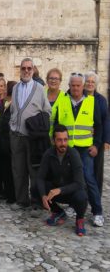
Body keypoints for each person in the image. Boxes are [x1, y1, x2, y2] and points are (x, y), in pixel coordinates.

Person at [54, 72, 104, 227]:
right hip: (67, 148)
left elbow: (98, 125)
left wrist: (96, 144)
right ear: (69, 86)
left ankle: (97, 212)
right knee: (70, 178)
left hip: (85, 148)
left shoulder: (92, 101)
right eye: (73, 85)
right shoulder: (62, 101)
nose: (75, 88)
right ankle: (74, 206)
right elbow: (57, 124)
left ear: (83, 86)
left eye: (78, 85)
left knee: (88, 178)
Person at [10, 58, 52, 209]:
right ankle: (21, 200)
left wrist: (37, 125)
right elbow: (14, 109)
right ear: (20, 70)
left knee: (34, 170)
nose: (26, 71)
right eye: (23, 68)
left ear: (33, 70)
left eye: (29, 68)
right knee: (18, 169)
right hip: (16, 136)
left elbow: (47, 111)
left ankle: (35, 202)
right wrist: (13, 125)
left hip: (33, 138)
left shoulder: (39, 89)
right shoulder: (15, 88)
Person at [35, 125, 88, 236]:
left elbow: (80, 183)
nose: (63, 143)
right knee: (36, 188)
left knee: (82, 196)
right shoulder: (49, 154)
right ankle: (59, 212)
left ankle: (80, 219)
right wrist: (43, 195)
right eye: (59, 140)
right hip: (55, 190)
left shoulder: (74, 154)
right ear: (54, 140)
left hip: (72, 192)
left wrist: (59, 190)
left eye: (65, 139)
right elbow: (40, 177)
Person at [84, 71, 110, 195]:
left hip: (97, 140)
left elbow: (106, 120)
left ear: (96, 84)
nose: (90, 84)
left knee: (97, 169)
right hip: (82, 138)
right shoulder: (79, 97)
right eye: (87, 81)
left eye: (92, 82)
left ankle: (96, 195)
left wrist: (106, 140)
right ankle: (81, 196)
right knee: (82, 169)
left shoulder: (101, 100)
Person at [0, 81, 17, 204]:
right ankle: (5, 192)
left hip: (8, 142)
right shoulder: (5, 102)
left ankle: (11, 195)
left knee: (9, 170)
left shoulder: (15, 105)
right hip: (1, 141)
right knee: (3, 169)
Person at [46, 68, 64, 137]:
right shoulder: (41, 95)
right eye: (51, 78)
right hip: (42, 138)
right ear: (47, 80)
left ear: (60, 81)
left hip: (58, 138)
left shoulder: (66, 98)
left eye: (56, 79)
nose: (53, 81)